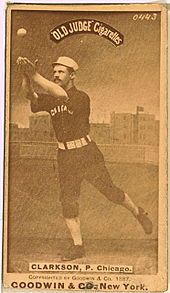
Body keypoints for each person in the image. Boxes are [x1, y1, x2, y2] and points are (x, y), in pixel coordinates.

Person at [16, 56, 153, 261]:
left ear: (72, 75)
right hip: (65, 156)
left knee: (111, 192)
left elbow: (61, 95)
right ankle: (78, 246)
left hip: (86, 154)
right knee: (68, 201)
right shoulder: (51, 97)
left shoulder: (81, 97)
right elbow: (29, 96)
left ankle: (138, 212)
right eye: (54, 72)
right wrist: (26, 76)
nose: (56, 75)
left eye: (61, 72)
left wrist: (34, 74)